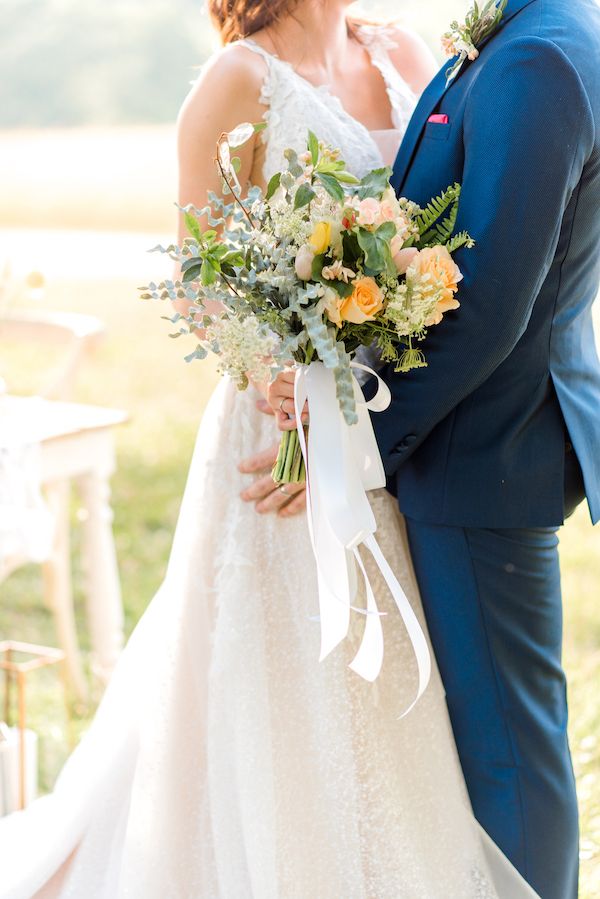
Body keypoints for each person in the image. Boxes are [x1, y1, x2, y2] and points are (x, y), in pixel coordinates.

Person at [0, 2, 540, 897]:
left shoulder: (403, 50)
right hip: (283, 434)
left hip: (389, 427)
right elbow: (199, 273)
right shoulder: (238, 82)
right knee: (286, 677)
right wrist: (276, 382)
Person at [268, 1, 600, 897]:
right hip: (467, 446)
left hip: (481, 453)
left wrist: (354, 441)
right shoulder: (519, 37)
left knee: (507, 753)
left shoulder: (544, 57)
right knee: (483, 742)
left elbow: (492, 299)